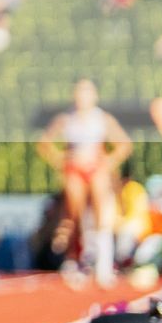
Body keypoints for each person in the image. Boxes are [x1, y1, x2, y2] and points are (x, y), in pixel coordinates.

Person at [36, 78, 133, 287]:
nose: (82, 96)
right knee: (74, 214)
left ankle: (104, 265)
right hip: (75, 170)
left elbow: (124, 144)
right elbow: (44, 143)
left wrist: (108, 161)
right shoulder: (66, 118)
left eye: (87, 92)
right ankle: (75, 260)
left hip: (95, 168)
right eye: (79, 91)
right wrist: (61, 160)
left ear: (94, 95)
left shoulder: (102, 118)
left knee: (101, 211)